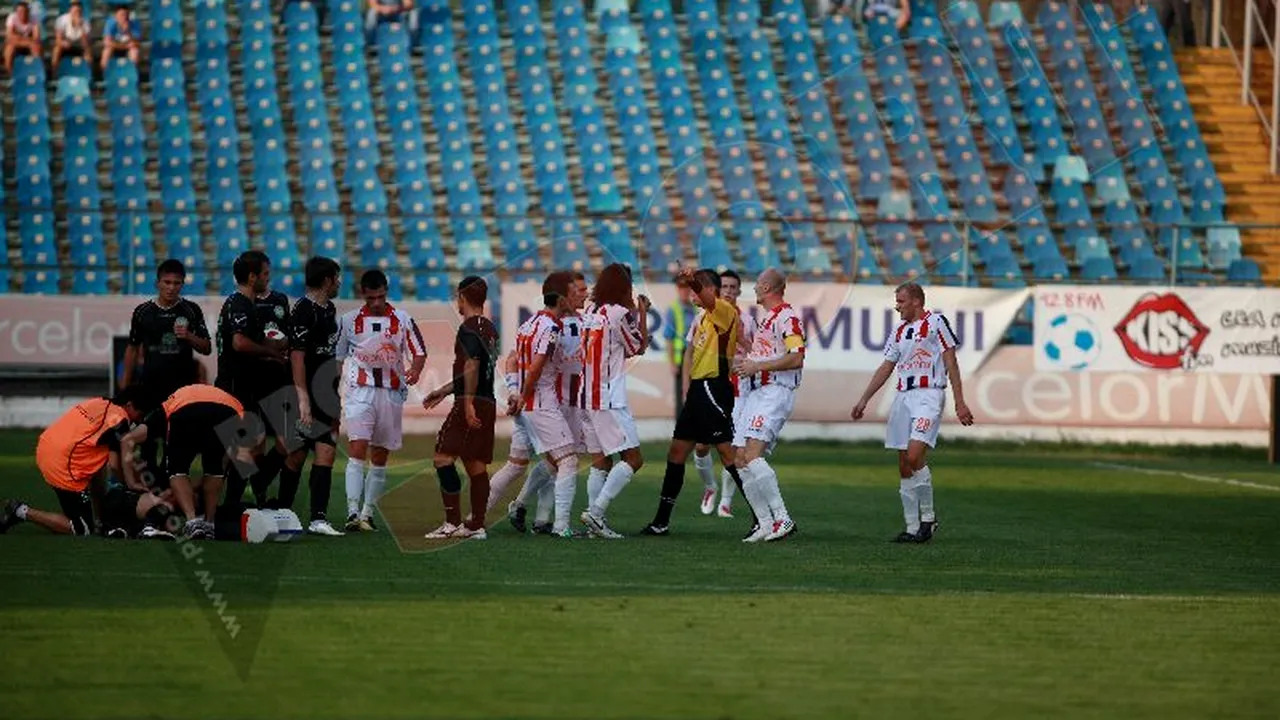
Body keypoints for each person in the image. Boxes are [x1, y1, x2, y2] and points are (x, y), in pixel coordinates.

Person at [850, 282, 975, 543]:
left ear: (916, 301)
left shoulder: (937, 322)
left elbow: (951, 362)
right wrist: (864, 399)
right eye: (897, 301)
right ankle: (911, 526)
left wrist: (959, 402)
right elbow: (886, 366)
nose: (897, 306)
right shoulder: (898, 331)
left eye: (901, 301)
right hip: (903, 397)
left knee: (916, 453)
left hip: (929, 395)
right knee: (904, 463)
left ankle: (928, 518)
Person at [641, 268, 744, 536]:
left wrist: (693, 281)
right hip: (699, 389)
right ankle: (661, 522)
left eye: (697, 289)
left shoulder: (723, 310)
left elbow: (709, 300)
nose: (690, 294)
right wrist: (689, 385)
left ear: (709, 290)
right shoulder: (699, 318)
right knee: (677, 452)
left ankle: (764, 516)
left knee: (727, 453)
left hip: (714, 387)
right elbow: (689, 351)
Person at [337, 269, 427, 532]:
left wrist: (416, 369)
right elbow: (338, 357)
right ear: (362, 294)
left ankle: (367, 513)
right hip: (359, 392)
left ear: (386, 292)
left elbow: (419, 352)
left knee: (379, 454)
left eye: (381, 297)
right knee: (357, 447)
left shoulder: (403, 319)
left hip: (390, 392)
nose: (376, 302)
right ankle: (353, 511)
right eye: (371, 298)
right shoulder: (349, 320)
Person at [0, 388, 153, 536]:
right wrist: (130, 485)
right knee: (82, 529)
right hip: (64, 464)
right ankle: (20, 511)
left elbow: (100, 467)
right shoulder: (119, 420)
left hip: (47, 447)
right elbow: (114, 465)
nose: (137, 421)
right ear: (129, 404)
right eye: (139, 414)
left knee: (97, 462)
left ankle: (102, 520)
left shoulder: (99, 402)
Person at [503, 271, 589, 535]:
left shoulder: (588, 320)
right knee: (562, 459)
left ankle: (532, 513)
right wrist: (517, 390)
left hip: (573, 398)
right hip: (551, 397)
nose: (583, 293)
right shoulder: (551, 324)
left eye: (585, 289)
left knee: (555, 462)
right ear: (565, 294)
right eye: (578, 289)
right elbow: (521, 359)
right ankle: (554, 522)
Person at [119, 384, 252, 540]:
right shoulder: (227, 402)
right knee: (214, 468)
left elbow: (127, 440)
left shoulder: (162, 413)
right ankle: (209, 524)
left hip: (185, 411)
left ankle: (192, 521)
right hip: (230, 412)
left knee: (177, 469)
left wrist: (130, 482)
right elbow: (241, 458)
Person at [422, 276, 500, 540]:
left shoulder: (468, 327)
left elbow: (471, 367)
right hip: (487, 400)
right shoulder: (490, 328)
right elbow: (476, 369)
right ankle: (476, 525)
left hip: (472, 401)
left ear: (461, 297)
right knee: (475, 464)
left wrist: (466, 405)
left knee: (442, 458)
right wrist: (443, 391)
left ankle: (452, 522)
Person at [213, 250, 289, 516]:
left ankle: (233, 500)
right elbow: (239, 343)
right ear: (253, 276)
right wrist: (271, 352)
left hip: (244, 385)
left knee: (250, 446)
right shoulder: (240, 304)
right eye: (265, 274)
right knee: (241, 447)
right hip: (234, 385)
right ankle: (224, 504)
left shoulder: (247, 304)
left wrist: (277, 345)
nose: (269, 279)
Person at [731, 268, 804, 543]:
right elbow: (763, 357)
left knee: (751, 455)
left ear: (765, 287)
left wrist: (757, 365)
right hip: (757, 392)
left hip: (776, 392)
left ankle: (782, 518)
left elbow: (797, 357)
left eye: (757, 284)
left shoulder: (788, 317)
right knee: (739, 459)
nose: (753, 289)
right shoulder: (768, 320)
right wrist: (745, 359)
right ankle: (764, 523)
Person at [579, 263, 651, 538]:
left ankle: (594, 524)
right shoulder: (619, 313)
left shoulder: (590, 311)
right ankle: (596, 513)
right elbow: (637, 346)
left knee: (601, 461)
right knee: (633, 458)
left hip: (587, 395)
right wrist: (642, 312)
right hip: (609, 397)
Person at [122, 259, 212, 475]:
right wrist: (125, 388)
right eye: (167, 282)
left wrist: (189, 336)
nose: (171, 287)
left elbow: (207, 347)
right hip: (150, 389)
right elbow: (132, 349)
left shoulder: (191, 310)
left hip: (181, 391)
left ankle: (171, 484)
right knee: (147, 444)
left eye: (176, 283)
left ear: (183, 284)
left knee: (176, 443)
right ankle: (150, 493)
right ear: (157, 283)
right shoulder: (143, 312)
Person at [279, 256, 345, 536]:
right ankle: (282, 511)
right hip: (304, 394)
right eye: (337, 277)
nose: (340, 282)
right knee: (295, 455)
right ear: (328, 280)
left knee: (326, 453)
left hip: (326, 394)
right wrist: (302, 398)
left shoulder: (329, 309)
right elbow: (297, 357)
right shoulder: (303, 310)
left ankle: (318, 519)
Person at [714, 269, 752, 518]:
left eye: (732, 287)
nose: (728, 291)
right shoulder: (708, 316)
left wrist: (742, 342)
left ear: (738, 291)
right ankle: (710, 487)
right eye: (724, 286)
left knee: (737, 446)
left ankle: (725, 501)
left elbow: (756, 352)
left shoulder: (748, 321)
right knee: (704, 446)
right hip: (713, 387)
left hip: (740, 390)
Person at [664, 274, 696, 420]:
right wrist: (671, 363)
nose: (684, 291)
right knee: (681, 394)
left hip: (696, 356)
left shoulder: (696, 308)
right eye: (681, 287)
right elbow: (669, 339)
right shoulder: (673, 310)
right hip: (681, 357)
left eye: (686, 287)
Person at [51, 1, 90, 70]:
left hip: (78, 45)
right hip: (65, 44)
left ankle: (88, 72)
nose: (76, 13)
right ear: (70, 10)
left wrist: (81, 27)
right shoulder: (62, 20)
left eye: (78, 11)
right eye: (75, 11)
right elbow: (58, 39)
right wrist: (63, 43)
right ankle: (54, 73)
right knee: (57, 49)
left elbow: (85, 43)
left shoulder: (85, 23)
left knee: (88, 51)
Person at [4, 2, 41, 74]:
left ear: (28, 11)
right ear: (16, 12)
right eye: (20, 11)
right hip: (19, 44)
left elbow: (36, 37)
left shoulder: (34, 18)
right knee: (9, 49)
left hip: (28, 44)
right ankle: (10, 73)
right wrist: (27, 41)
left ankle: (36, 72)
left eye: (25, 11)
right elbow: (9, 36)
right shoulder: (12, 17)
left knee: (36, 48)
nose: (22, 13)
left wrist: (19, 38)